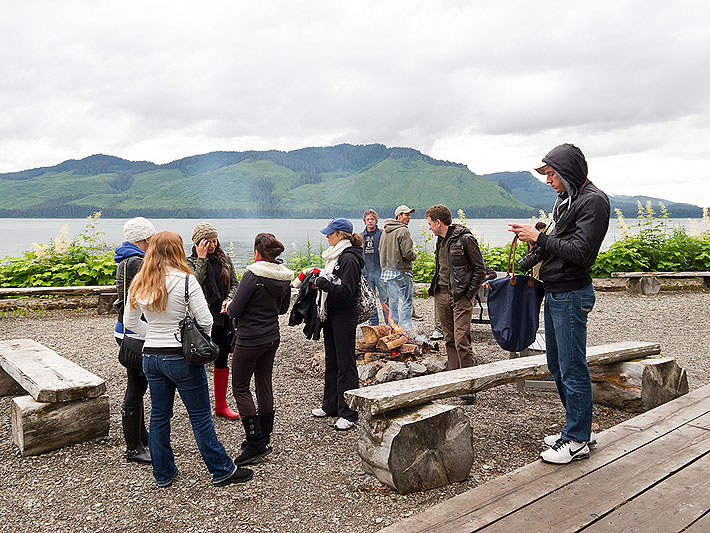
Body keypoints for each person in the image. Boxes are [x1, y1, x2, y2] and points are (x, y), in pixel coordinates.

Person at [125, 231, 253, 487]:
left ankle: (163, 474)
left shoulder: (140, 280)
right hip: (179, 357)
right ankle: (222, 470)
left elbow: (130, 323)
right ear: (178, 250)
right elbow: (205, 320)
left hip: (151, 356)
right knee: (200, 417)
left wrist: (154, 334)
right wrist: (190, 339)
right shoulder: (186, 280)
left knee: (159, 416)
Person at [509, 143, 610, 465]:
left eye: (552, 174)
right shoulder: (566, 200)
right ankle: (579, 429)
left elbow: (579, 251)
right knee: (556, 364)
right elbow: (556, 245)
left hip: (571, 294)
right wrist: (519, 264)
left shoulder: (593, 202)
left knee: (572, 367)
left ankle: (577, 439)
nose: (548, 180)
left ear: (568, 173)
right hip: (555, 292)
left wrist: (537, 238)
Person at [227, 233, 293, 465]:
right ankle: (264, 435)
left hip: (248, 339)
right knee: (264, 384)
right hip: (271, 337)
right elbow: (283, 309)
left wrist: (228, 306)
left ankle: (254, 442)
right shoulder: (284, 276)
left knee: (241, 388)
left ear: (257, 252)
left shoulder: (252, 275)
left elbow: (235, 310)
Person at [426, 205, 486, 403]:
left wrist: (468, 294)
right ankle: (454, 382)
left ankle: (469, 385)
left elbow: (480, 269)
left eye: (430, 224)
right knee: (449, 339)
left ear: (438, 222)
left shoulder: (465, 239)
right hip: (441, 295)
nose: (429, 228)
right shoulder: (440, 241)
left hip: (460, 297)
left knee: (461, 339)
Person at [310, 218, 364, 431]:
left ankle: (349, 413)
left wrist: (323, 282)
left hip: (344, 314)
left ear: (341, 235)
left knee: (346, 362)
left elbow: (347, 291)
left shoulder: (349, 258)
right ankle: (330, 405)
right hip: (331, 313)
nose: (327, 236)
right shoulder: (335, 256)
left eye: (330, 233)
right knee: (332, 360)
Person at [187, 222, 240, 420]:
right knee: (197, 360)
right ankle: (199, 409)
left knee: (222, 359)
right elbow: (192, 284)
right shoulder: (189, 262)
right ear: (197, 242)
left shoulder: (225, 259)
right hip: (200, 317)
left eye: (214, 241)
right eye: (206, 241)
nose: (211, 245)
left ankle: (221, 405)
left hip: (222, 316)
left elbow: (235, 282)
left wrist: (230, 298)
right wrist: (201, 259)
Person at [113, 216, 156, 464]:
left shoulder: (126, 258)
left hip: (127, 328)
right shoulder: (137, 262)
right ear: (146, 239)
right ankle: (133, 447)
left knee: (138, 385)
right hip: (133, 331)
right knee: (136, 386)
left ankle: (141, 435)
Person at [379, 205, 417, 330]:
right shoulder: (403, 230)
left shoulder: (385, 231)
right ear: (399, 216)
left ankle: (393, 327)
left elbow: (380, 250)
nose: (409, 217)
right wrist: (414, 255)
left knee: (393, 301)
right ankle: (405, 329)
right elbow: (407, 253)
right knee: (407, 301)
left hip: (388, 271)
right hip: (402, 270)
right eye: (406, 214)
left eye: (409, 214)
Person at [360, 209, 389, 325]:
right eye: (368, 219)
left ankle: (389, 322)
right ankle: (373, 322)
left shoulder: (382, 234)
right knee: (370, 300)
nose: (370, 221)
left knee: (385, 298)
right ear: (365, 221)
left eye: (372, 219)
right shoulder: (361, 236)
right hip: (367, 272)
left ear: (376, 220)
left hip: (380, 271)